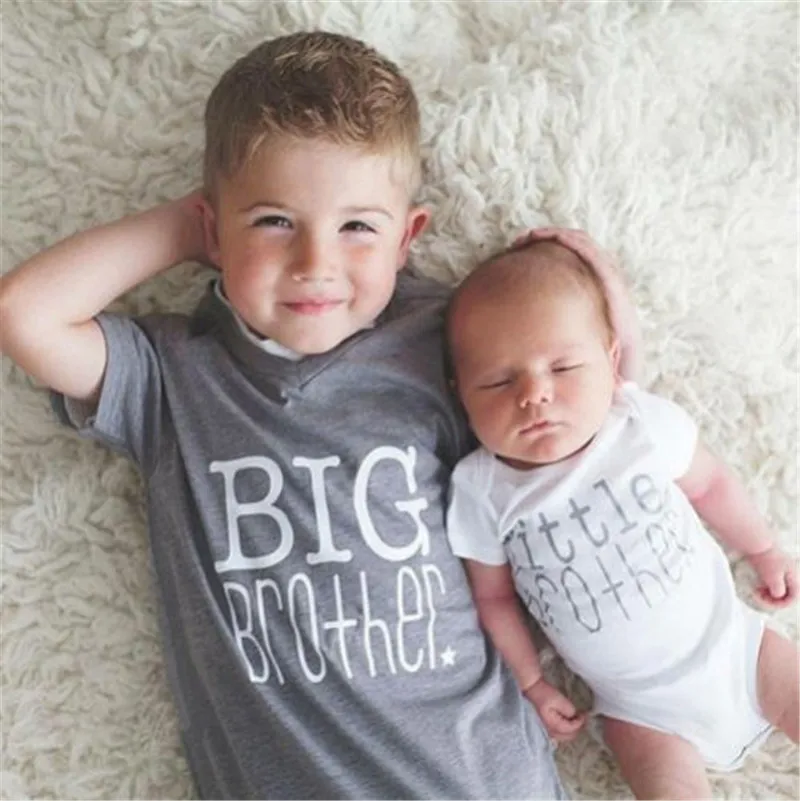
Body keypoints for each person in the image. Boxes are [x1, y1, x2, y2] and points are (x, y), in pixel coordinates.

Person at [0, 31, 640, 800]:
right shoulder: (173, 379)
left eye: (357, 226)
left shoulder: (443, 343)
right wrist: (187, 229)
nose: (315, 263)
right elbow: (25, 313)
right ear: (214, 230)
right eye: (275, 221)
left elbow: (580, 410)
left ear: (407, 237)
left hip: (480, 777)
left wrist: (605, 293)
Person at [444, 236, 799, 800]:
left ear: (610, 365)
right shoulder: (480, 491)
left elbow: (710, 484)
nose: (535, 394)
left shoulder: (635, 425)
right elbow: (493, 599)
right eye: (499, 381)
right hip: (639, 710)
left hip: (737, 649)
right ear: (461, 395)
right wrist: (531, 682)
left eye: (563, 367)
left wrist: (762, 549)